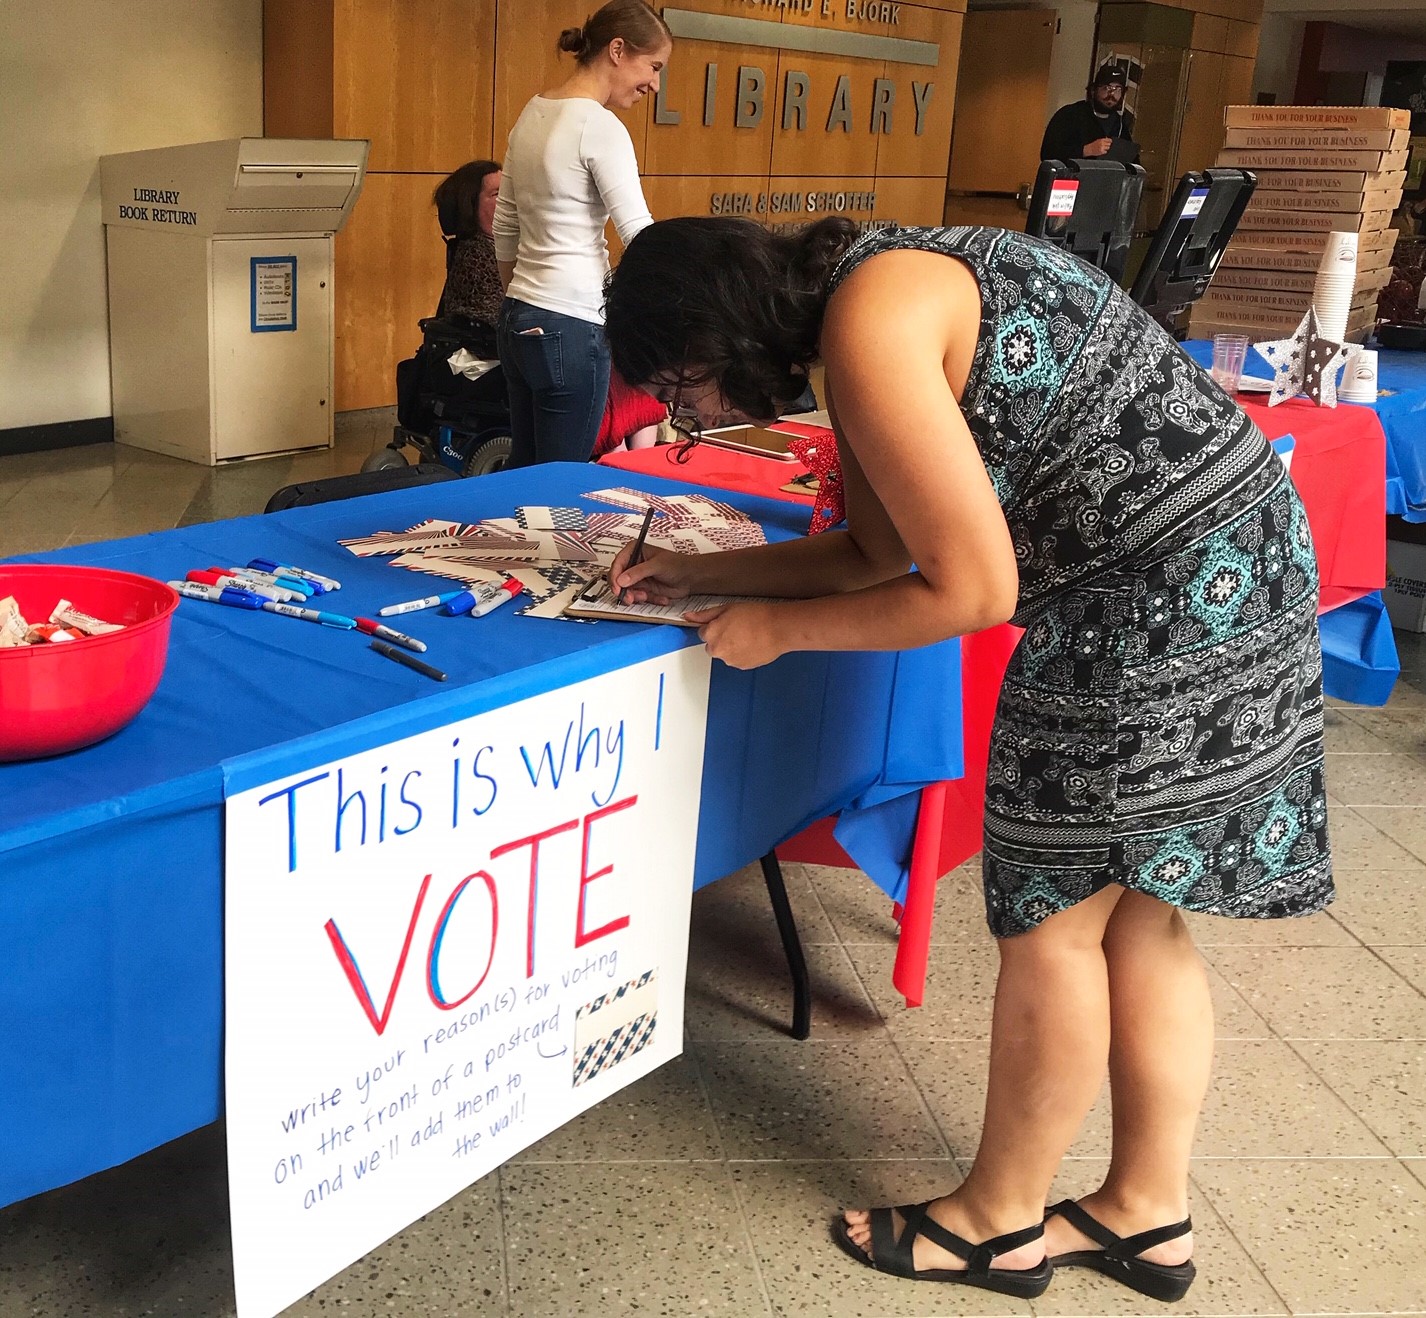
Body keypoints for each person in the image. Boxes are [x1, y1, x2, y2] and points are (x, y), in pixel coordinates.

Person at [603, 216, 1332, 1301]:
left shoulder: (868, 326)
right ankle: (1145, 1212)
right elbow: (872, 551)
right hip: (1238, 562)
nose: (687, 415)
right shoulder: (868, 287)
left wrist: (778, 632)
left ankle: (994, 1223)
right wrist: (720, 577)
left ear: (721, 336)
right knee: (1141, 909)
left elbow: (971, 592)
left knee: (1055, 919)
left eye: (682, 385)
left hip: (1147, 608)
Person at [492, 0, 671, 469]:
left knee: (523, 477)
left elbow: (505, 228)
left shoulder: (532, 113)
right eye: (652, 66)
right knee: (561, 483)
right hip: (571, 325)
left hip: (518, 319)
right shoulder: (599, 125)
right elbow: (640, 236)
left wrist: (525, 294)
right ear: (617, 50)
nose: (654, 84)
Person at [433, 159, 504, 328]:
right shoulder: (474, 258)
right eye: (497, 194)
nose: (509, 200)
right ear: (470, 204)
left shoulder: (499, 250)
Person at [1041, 64, 1140, 165]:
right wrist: (1086, 150)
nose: (1112, 95)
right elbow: (1047, 154)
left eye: (1118, 89)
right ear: (1093, 90)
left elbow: (1134, 162)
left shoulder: (1120, 124)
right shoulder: (1070, 114)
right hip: (1073, 179)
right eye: (1107, 88)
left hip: (1107, 179)